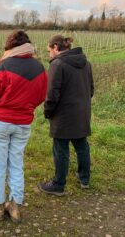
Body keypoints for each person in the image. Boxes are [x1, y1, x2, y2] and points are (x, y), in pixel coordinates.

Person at [0, 30, 48, 223]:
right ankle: (16, 205)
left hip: (0, 122)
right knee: (16, 163)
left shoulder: (4, 65)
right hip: (23, 123)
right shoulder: (39, 67)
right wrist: (25, 107)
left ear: (10, 46)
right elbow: (41, 96)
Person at [38, 35, 94, 196]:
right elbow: (91, 89)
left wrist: (48, 111)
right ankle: (85, 179)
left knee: (61, 148)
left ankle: (58, 184)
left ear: (56, 47)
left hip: (63, 115)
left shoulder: (58, 64)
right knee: (82, 145)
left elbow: (52, 94)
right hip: (82, 112)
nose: (49, 54)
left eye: (49, 50)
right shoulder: (86, 63)